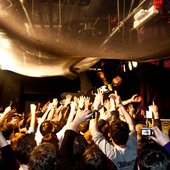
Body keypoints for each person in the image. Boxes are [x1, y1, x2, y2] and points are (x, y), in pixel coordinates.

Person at [89, 91, 137, 170]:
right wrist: (120, 105)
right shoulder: (133, 147)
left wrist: (95, 108)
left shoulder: (112, 154)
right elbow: (131, 125)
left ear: (109, 135)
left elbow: (92, 129)